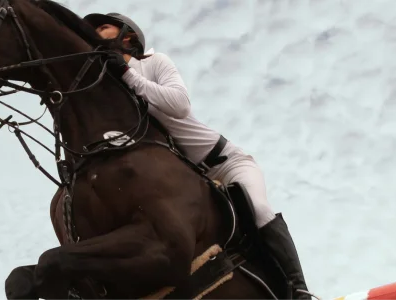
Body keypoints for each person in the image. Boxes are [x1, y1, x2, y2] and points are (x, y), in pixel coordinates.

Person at [83, 12, 314, 300]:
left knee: (258, 211)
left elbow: (179, 105)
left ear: (127, 36)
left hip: (226, 164)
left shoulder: (153, 63)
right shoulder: (112, 88)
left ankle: (300, 289)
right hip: (192, 182)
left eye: (103, 27)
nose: (93, 32)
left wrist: (128, 74)